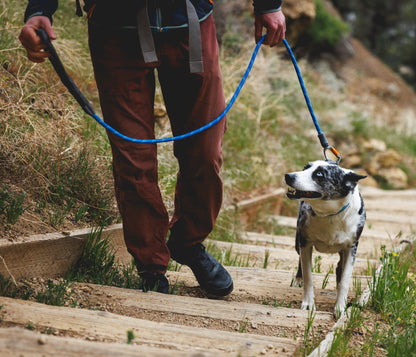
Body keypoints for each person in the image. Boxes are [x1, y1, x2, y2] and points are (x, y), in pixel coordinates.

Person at [19, 0, 286, 296]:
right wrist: (39, 10)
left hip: (190, 21)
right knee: (134, 159)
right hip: (115, 26)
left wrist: (268, 4)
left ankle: (187, 243)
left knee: (206, 150)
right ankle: (151, 266)